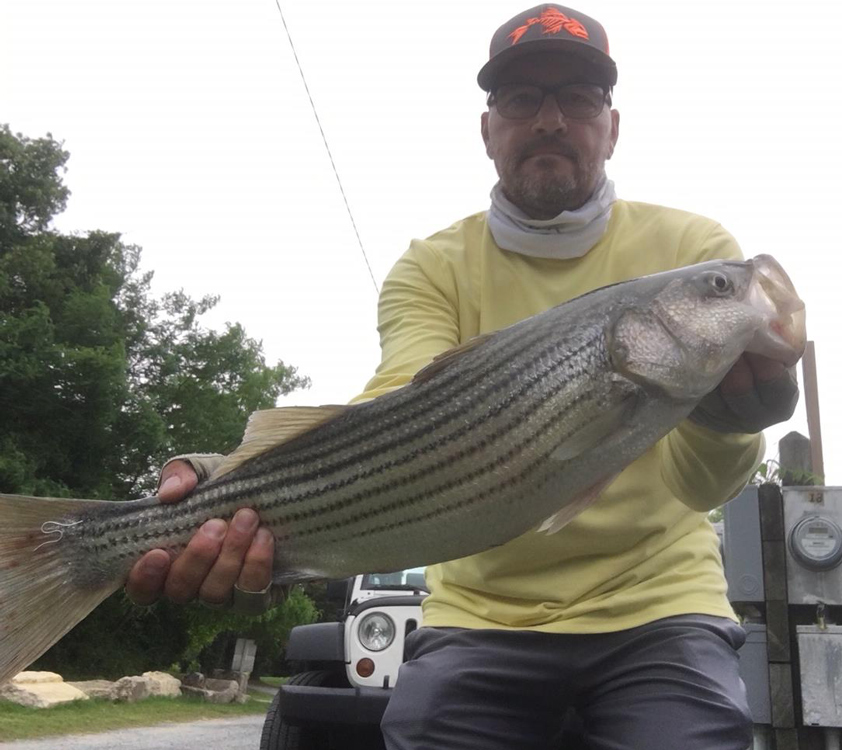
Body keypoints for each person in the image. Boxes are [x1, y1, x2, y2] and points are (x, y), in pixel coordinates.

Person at [126, 5, 798, 748]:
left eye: (579, 98)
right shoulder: (431, 266)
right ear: (488, 130)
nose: (550, 120)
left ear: (612, 127)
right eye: (521, 99)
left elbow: (703, 488)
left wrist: (733, 421)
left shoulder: (690, 247)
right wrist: (233, 477)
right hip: (481, 615)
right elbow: (399, 406)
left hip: (659, 606)